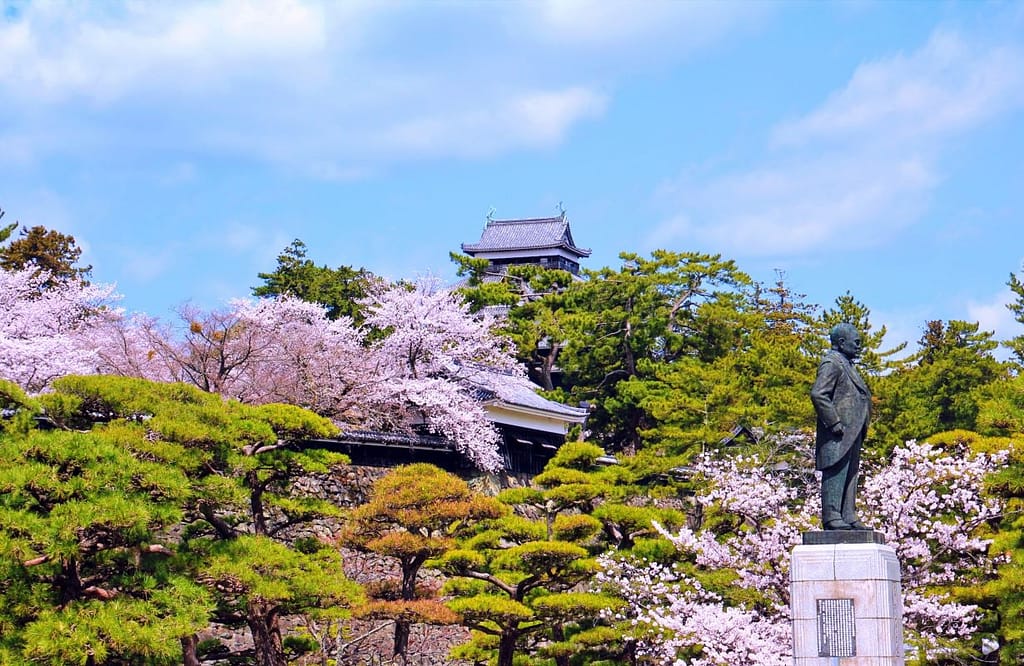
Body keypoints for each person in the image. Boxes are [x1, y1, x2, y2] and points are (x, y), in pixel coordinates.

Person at [810, 323, 871, 531]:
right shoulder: (832, 363)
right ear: (841, 342)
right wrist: (834, 421)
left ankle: (848, 514)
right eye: (856, 342)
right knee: (836, 471)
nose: (859, 346)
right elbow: (819, 393)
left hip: (852, 431)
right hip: (837, 432)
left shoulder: (847, 364)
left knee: (851, 473)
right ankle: (832, 515)